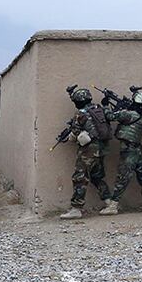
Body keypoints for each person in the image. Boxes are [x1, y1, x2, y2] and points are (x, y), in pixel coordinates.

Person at [58, 85, 115, 219]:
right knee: (96, 176)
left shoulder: (81, 113)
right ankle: (109, 202)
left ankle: (76, 208)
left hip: (89, 150)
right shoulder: (99, 109)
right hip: (102, 148)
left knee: (80, 177)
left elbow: (75, 133)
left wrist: (68, 138)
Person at [106, 88, 142, 212]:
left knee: (123, 176)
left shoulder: (127, 114)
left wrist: (106, 105)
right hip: (138, 148)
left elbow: (109, 116)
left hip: (128, 149)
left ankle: (113, 206)